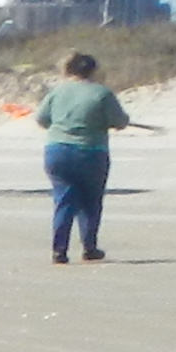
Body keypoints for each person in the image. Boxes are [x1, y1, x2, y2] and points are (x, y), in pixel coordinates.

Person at [35, 52, 128, 263]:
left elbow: (41, 119)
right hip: (91, 152)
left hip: (57, 150)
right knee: (90, 201)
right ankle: (89, 246)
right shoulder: (101, 93)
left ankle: (59, 250)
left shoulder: (57, 92)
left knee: (63, 199)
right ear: (93, 70)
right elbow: (119, 122)